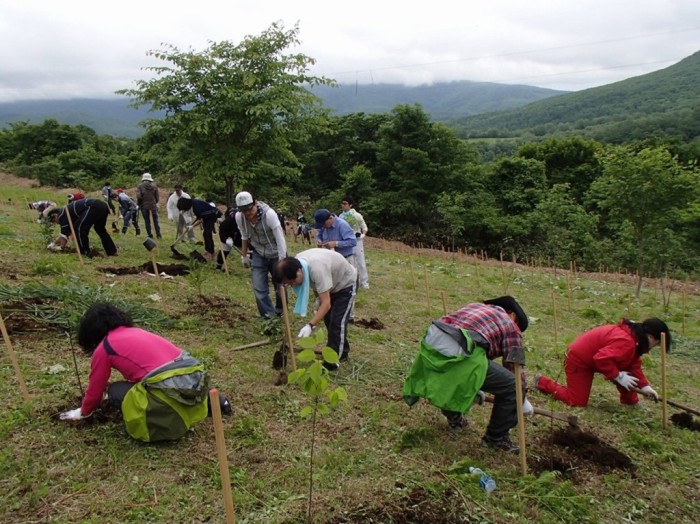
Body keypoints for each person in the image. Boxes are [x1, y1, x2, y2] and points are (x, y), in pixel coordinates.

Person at [58, 303, 230, 442]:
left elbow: (96, 388)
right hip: (194, 378)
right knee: (158, 383)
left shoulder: (105, 347)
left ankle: (161, 420)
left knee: (114, 390)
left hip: (167, 387)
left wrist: (83, 412)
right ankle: (212, 400)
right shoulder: (137, 332)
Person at [403, 296, 531, 453]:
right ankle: (495, 438)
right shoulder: (510, 324)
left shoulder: (475, 306)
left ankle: (455, 419)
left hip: (433, 343)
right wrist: (521, 397)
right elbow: (515, 370)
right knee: (512, 385)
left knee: (454, 373)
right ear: (513, 316)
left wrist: (474, 386)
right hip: (460, 351)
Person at [534, 318, 671, 408]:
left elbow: (632, 364)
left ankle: (630, 402)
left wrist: (645, 386)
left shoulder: (635, 340)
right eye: (657, 344)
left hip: (595, 358)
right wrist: (618, 376)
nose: (654, 348)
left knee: (626, 373)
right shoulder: (627, 342)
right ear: (651, 337)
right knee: (577, 402)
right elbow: (601, 358)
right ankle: (542, 382)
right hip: (579, 360)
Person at [274, 248, 357, 371]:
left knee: (337, 322)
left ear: (299, 271)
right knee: (329, 321)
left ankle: (332, 363)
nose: (293, 285)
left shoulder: (317, 269)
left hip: (345, 284)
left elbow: (326, 304)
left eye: (292, 282)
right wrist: (318, 301)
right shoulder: (298, 262)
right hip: (331, 284)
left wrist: (310, 325)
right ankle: (342, 350)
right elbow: (315, 285)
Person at [235, 191, 287, 319]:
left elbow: (280, 238)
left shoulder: (269, 215)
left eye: (249, 209)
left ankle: (280, 309)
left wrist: (282, 260)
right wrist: (244, 255)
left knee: (280, 285)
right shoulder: (239, 217)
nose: (247, 213)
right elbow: (244, 235)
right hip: (258, 252)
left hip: (276, 252)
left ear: (255, 203)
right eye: (243, 211)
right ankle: (269, 317)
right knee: (259, 287)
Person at [46, 198, 117, 257]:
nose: (57, 223)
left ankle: (85, 252)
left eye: (54, 221)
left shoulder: (62, 213)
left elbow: (64, 236)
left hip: (93, 206)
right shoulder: (68, 213)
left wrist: (61, 248)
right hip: (102, 206)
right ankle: (112, 251)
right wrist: (53, 244)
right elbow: (64, 234)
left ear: (55, 215)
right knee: (100, 229)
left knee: (79, 228)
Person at [340, 196, 370, 289]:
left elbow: (364, 227)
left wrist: (362, 235)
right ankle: (352, 281)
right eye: (342, 203)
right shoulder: (340, 217)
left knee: (360, 261)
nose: (343, 205)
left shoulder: (357, 215)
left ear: (350, 205)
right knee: (350, 262)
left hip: (357, 241)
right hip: (346, 242)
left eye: (345, 204)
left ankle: (364, 281)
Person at [136, 172, 161, 239]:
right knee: (155, 221)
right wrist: (154, 203)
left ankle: (150, 234)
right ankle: (158, 234)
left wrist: (138, 204)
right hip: (153, 205)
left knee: (147, 221)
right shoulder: (154, 186)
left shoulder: (140, 186)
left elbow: (139, 197)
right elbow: (157, 197)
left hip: (144, 206)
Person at [216, 205, 242, 271]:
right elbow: (222, 230)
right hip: (228, 233)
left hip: (240, 235)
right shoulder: (230, 219)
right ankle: (218, 266)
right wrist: (226, 239)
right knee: (225, 249)